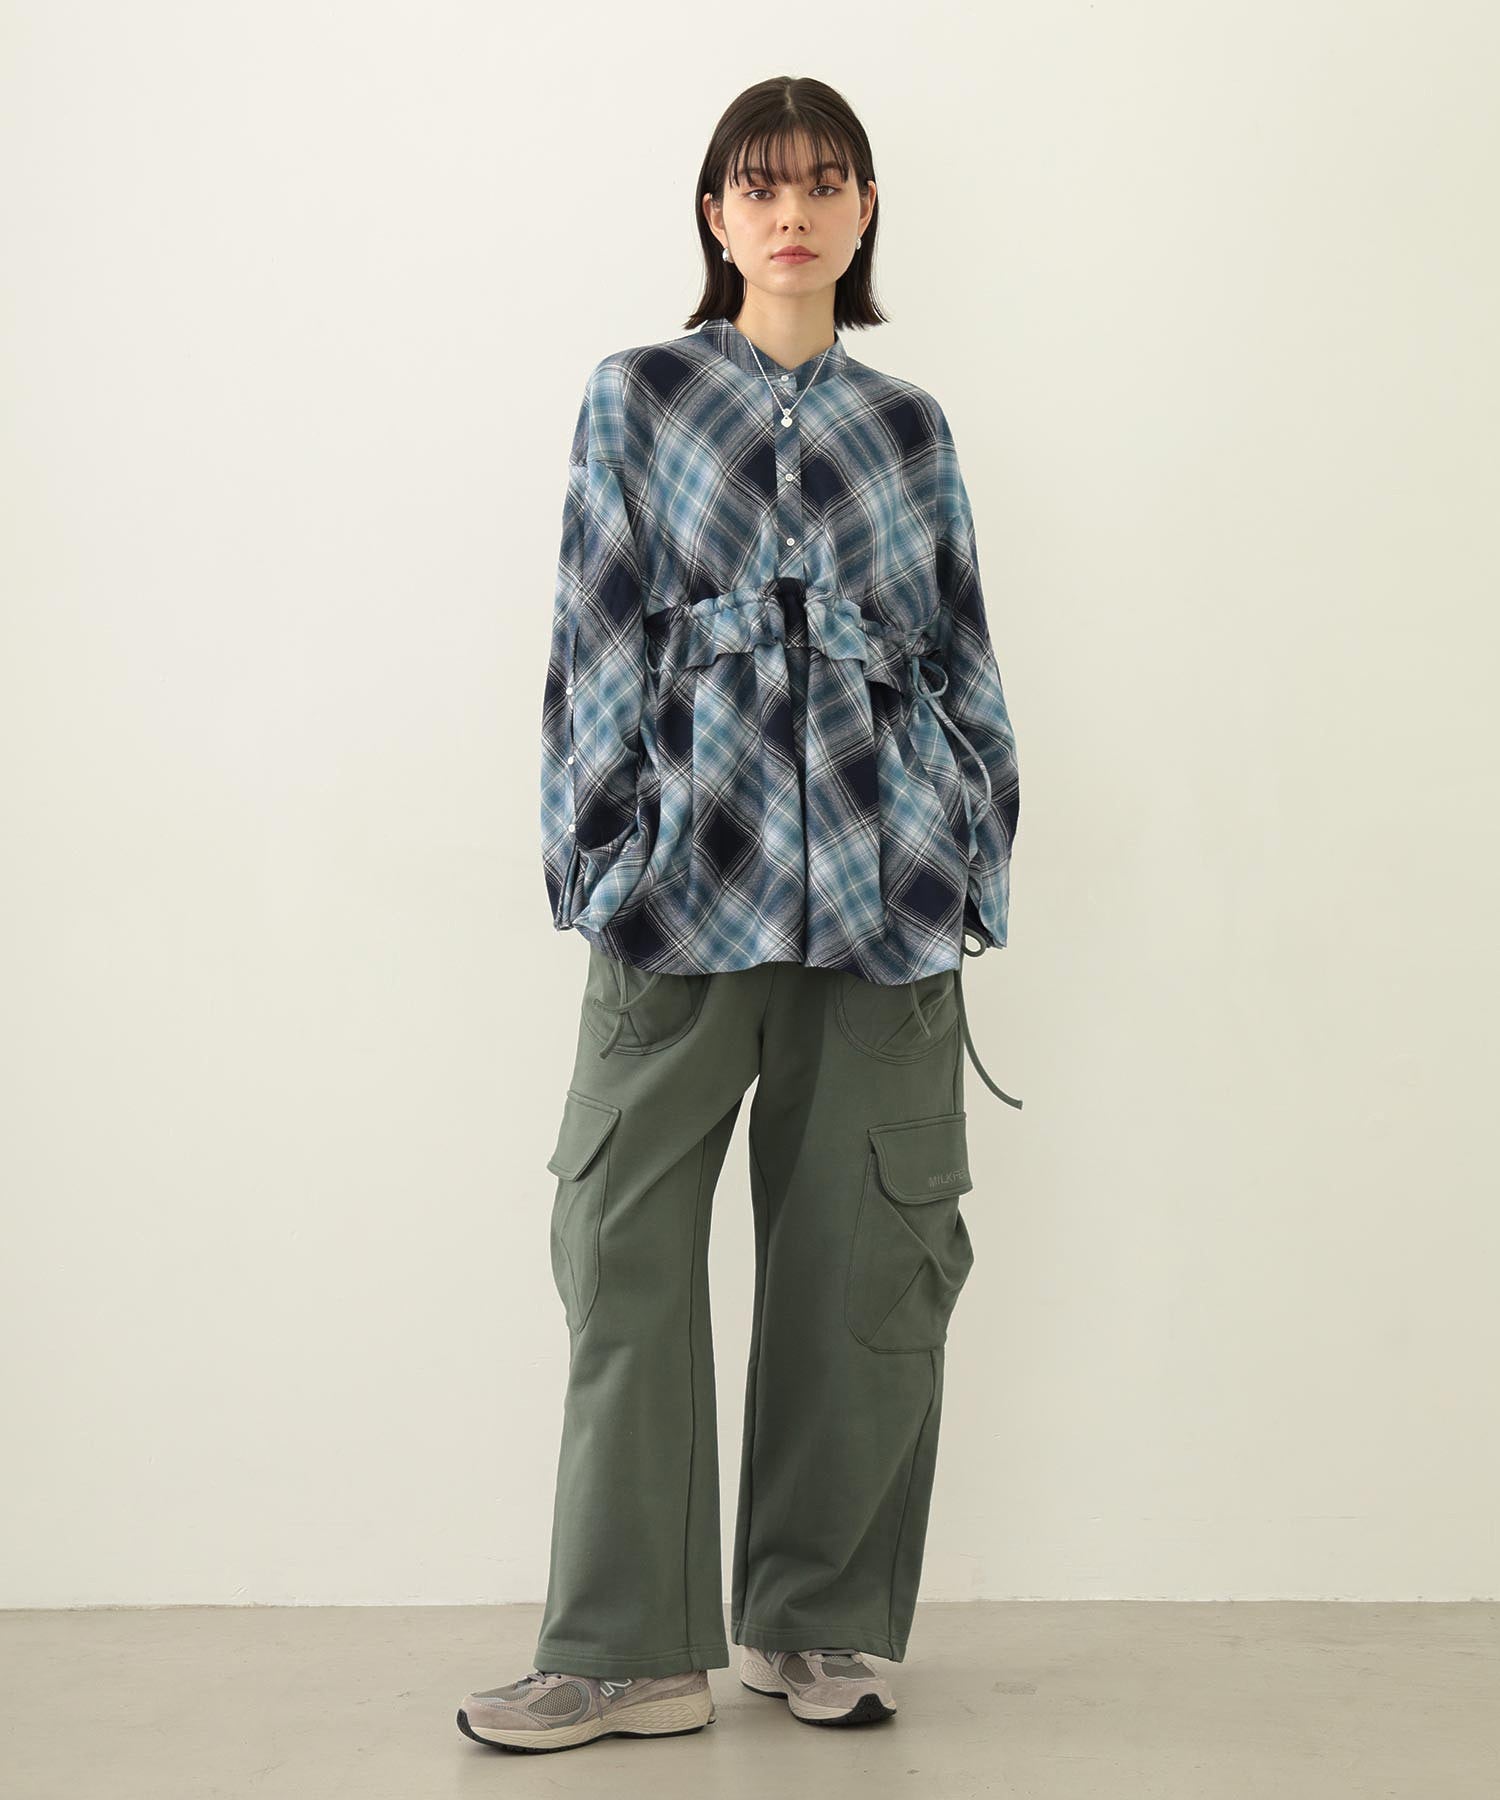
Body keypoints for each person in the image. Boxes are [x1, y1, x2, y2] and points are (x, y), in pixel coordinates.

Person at [458, 74, 1022, 1755]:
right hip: (677, 897)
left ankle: (819, 1622)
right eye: (760, 185)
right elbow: (592, 632)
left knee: (867, 1264)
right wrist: (601, 854)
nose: (792, 212)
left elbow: (962, 651)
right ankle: (625, 1650)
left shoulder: (908, 429)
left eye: (824, 183)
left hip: (883, 902)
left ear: (863, 212)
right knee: (621, 1251)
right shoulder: (638, 397)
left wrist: (970, 845)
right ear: (715, 214)